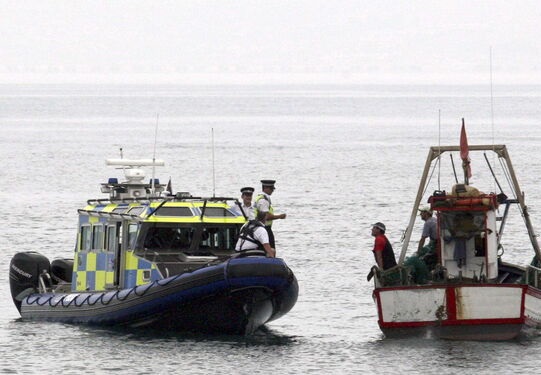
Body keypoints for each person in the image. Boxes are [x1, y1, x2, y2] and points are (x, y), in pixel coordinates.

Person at [254, 179, 286, 248]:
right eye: (271, 188)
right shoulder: (263, 200)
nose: (272, 190)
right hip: (264, 228)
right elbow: (266, 216)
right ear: (265, 188)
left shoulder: (263, 198)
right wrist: (280, 216)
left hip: (263, 228)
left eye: (272, 188)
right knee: (270, 250)